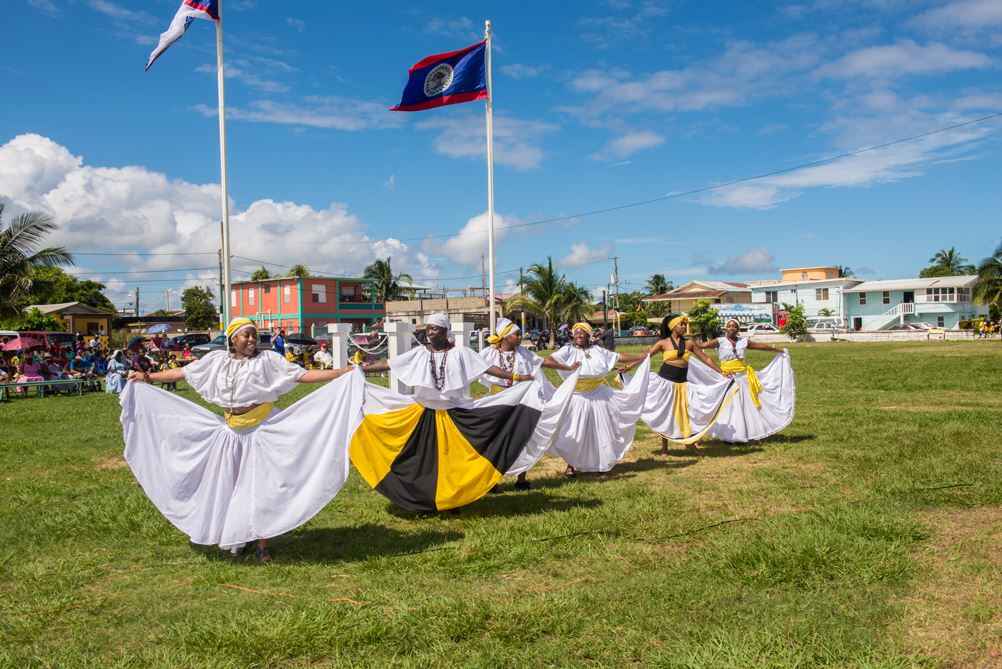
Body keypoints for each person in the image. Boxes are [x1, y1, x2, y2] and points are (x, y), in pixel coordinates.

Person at [121, 317, 361, 562]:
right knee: (232, 485)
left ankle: (262, 543)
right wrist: (148, 378)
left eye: (253, 335)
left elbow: (301, 375)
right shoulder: (216, 361)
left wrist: (340, 373)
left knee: (261, 488)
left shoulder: (267, 360)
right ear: (232, 339)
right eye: (245, 335)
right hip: (231, 432)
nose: (250, 340)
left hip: (262, 430)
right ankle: (238, 535)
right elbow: (182, 372)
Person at [355, 313, 578, 511]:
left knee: (454, 462)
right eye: (428, 329)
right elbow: (390, 364)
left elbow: (489, 368)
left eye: (434, 329)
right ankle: (424, 499)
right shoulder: (419, 354)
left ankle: (453, 499)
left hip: (455, 416)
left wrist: (519, 378)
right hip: (424, 416)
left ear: (444, 331)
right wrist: (364, 368)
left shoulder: (461, 353)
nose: (429, 333)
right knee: (423, 461)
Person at [478, 317, 580, 490]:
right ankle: (492, 481)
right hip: (498, 401)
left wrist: (568, 368)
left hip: (521, 402)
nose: (520, 337)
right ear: (505, 336)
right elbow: (475, 367)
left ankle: (521, 479)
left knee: (522, 437)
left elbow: (544, 362)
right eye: (516, 335)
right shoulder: (488, 354)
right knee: (496, 440)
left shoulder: (523, 353)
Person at [546, 322, 652, 476]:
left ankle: (601, 463)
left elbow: (619, 357)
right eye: (577, 333)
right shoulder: (567, 350)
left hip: (599, 394)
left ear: (589, 335)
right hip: (577, 396)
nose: (579, 335)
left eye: (583, 333)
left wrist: (642, 356)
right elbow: (549, 360)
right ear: (572, 335)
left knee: (600, 430)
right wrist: (567, 368)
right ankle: (571, 465)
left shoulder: (597, 350)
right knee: (576, 431)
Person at [630, 315, 734, 454]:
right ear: (673, 327)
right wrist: (629, 366)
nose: (684, 327)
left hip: (682, 383)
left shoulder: (690, 343)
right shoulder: (663, 343)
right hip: (665, 383)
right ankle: (665, 447)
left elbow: (706, 358)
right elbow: (645, 356)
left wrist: (721, 372)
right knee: (666, 413)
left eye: (685, 325)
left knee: (687, 412)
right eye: (681, 325)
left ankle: (689, 443)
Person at [696, 318, 795, 442]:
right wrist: (687, 344)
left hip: (742, 378)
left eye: (734, 326)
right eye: (729, 326)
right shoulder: (719, 341)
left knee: (743, 406)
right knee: (729, 407)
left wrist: (777, 350)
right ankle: (728, 435)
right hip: (726, 378)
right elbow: (700, 346)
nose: (731, 328)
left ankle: (745, 433)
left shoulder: (743, 341)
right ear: (726, 328)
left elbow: (760, 346)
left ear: (738, 329)